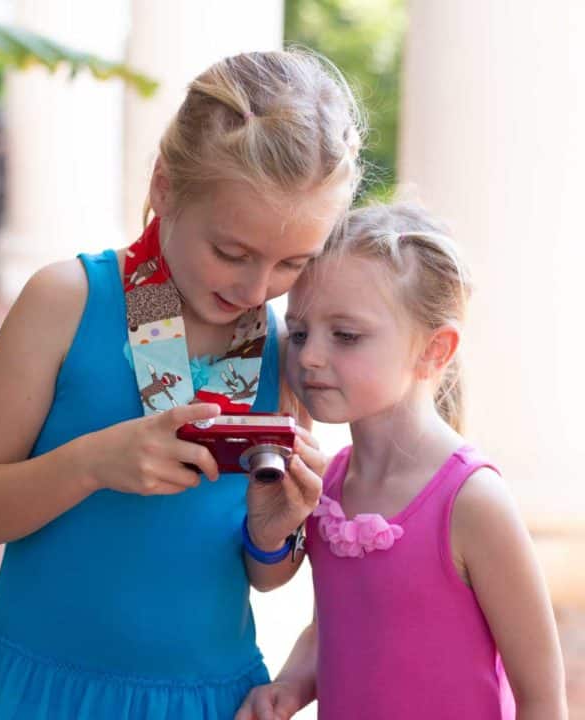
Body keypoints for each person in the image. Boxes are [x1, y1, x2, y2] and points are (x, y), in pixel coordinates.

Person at [0, 49, 362, 720]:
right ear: (165, 186)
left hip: (206, 698)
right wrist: (92, 463)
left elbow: (264, 575)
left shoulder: (282, 345)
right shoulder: (66, 300)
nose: (255, 290)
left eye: (292, 263)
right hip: (48, 692)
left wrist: (273, 530)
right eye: (231, 252)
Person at [236, 203, 568, 720]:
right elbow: (333, 630)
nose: (308, 357)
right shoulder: (331, 485)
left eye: (345, 335)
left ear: (434, 350)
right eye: (299, 333)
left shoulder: (473, 502)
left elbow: (543, 696)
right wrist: (290, 687)